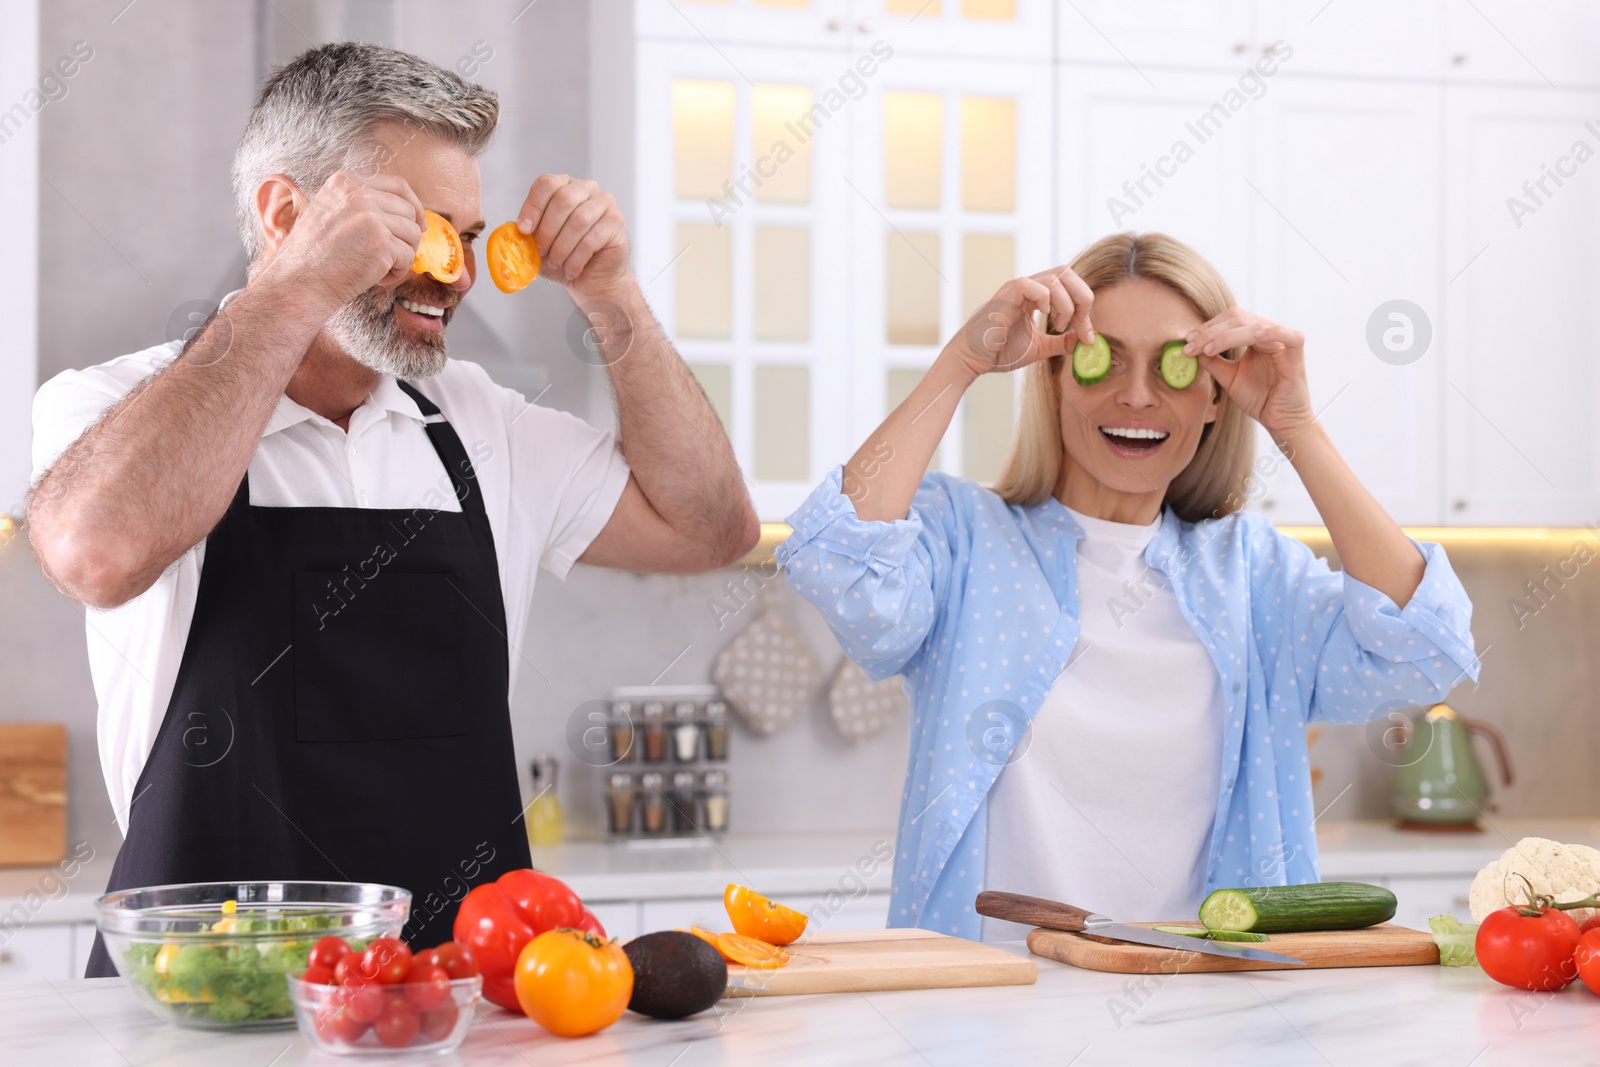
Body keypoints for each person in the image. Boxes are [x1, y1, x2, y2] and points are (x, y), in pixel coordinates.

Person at [25, 43, 757, 975]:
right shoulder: (114, 405)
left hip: (455, 995)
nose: (455, 272)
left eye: (467, 233)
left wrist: (613, 298)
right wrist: (294, 287)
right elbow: (95, 550)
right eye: (414, 228)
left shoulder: (484, 426)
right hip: (203, 997)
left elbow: (713, 530)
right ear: (287, 216)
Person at [777, 232, 1478, 940]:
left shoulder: (1254, 574)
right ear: (1053, 377)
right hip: (985, 1016)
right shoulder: (966, 540)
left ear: (1213, 397)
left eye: (1173, 367)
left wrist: (1296, 426)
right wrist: (961, 364)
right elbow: (836, 559)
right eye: (1099, 360)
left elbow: (1424, 648)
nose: (1136, 395)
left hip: (1211, 1023)